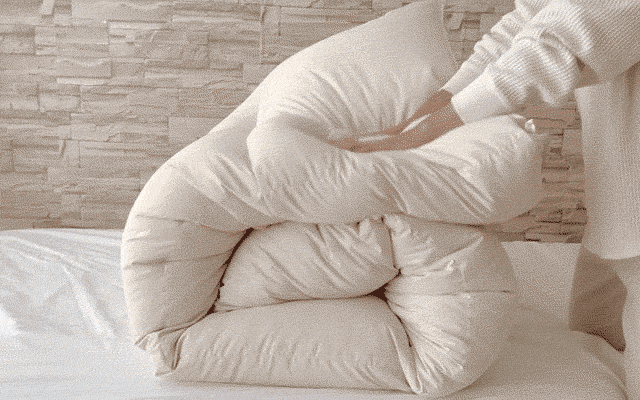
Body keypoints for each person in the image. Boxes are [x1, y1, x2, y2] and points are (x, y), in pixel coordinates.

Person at [328, 0, 640, 398]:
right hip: (617, 211)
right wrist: (422, 116)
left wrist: (421, 133)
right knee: (589, 337)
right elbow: (530, 21)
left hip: (631, 216)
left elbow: (564, 43)